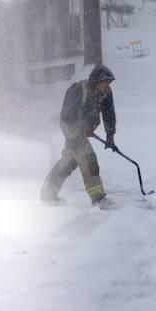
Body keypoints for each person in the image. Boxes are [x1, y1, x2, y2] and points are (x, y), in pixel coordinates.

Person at [41, 65, 119, 209]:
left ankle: (48, 193)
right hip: (71, 128)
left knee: (70, 161)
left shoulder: (106, 93)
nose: (107, 86)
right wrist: (83, 126)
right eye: (105, 82)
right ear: (97, 80)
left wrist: (110, 136)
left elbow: (109, 114)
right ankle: (98, 199)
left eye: (109, 83)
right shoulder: (77, 90)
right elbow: (68, 115)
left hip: (83, 130)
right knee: (89, 159)